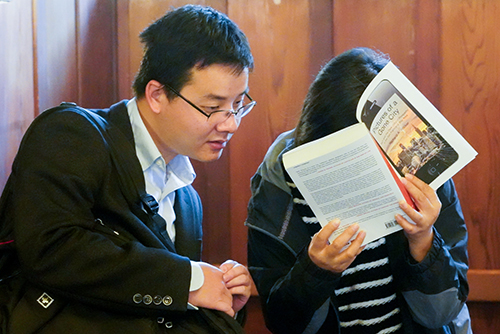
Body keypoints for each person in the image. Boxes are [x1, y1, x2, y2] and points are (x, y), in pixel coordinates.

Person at [1, 4, 255, 333]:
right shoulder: (73, 133)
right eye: (213, 107)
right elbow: (51, 247)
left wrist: (223, 294)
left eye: (238, 105)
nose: (231, 124)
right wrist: (188, 280)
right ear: (157, 95)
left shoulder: (188, 200)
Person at [246, 47, 471, 333]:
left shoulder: (423, 176)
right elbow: (283, 323)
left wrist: (423, 241)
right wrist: (315, 271)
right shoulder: (278, 184)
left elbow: (441, 315)